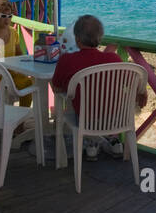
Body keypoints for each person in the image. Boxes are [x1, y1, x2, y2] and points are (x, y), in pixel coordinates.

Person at [53, 15, 147, 161]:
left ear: (77, 39)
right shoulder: (113, 59)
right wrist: (143, 91)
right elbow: (135, 82)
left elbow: (57, 88)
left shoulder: (67, 60)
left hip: (85, 121)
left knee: (69, 105)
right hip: (118, 120)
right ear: (100, 39)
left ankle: (92, 141)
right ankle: (111, 140)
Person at [0, 0, 32, 106]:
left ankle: (21, 119)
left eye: (10, 16)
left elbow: (19, 55)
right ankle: (3, 119)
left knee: (28, 83)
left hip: (10, 74)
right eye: (3, 16)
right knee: (0, 91)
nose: (7, 19)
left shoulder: (13, 32)